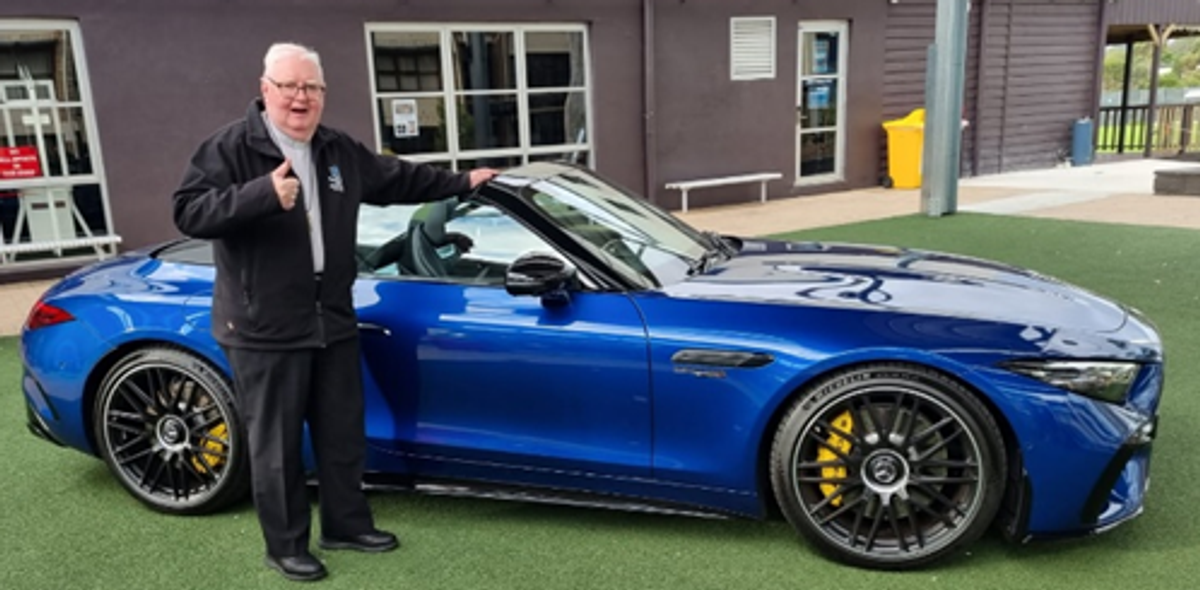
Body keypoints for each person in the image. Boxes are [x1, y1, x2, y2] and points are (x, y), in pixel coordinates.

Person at [172, 42, 497, 582]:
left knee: (341, 431)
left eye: (312, 87)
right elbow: (188, 211)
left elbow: (395, 178)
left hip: (331, 315)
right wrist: (260, 194)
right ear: (265, 90)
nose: (300, 97)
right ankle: (285, 547)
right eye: (289, 86)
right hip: (263, 325)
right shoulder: (229, 148)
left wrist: (462, 182)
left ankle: (345, 525)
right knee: (276, 446)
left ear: (323, 94)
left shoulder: (336, 148)